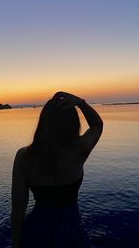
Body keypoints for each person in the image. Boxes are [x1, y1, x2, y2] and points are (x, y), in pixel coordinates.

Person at [11, 91, 103, 248]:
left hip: (36, 230)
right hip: (71, 230)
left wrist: (16, 245)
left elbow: (18, 210)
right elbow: (97, 125)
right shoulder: (79, 150)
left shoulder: (24, 157)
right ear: (73, 123)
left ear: (43, 122)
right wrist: (81, 102)